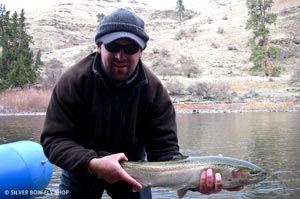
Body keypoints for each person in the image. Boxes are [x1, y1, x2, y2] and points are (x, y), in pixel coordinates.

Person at [40, 8, 242, 199]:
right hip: (81, 167)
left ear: (141, 50)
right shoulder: (73, 81)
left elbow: (164, 154)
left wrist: (194, 181)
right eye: (113, 46)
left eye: (130, 48)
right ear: (99, 46)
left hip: (136, 173)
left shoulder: (154, 92)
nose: (121, 56)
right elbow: (54, 140)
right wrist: (93, 163)